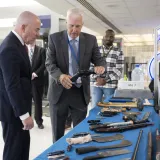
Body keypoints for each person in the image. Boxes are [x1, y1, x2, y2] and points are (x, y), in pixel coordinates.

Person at [46, 8, 106, 142]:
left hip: (79, 93)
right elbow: (50, 64)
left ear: (82, 25)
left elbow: (99, 59)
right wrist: (60, 76)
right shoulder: (54, 38)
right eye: (71, 26)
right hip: (59, 93)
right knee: (58, 135)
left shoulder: (90, 40)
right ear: (66, 23)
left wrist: (100, 66)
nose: (74, 30)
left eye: (77, 26)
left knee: (80, 135)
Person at [0, 11, 41, 160]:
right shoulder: (10, 47)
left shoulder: (18, 44)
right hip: (14, 113)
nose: (38, 34)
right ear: (23, 27)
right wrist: (24, 115)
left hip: (18, 109)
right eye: (36, 29)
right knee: (14, 152)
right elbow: (11, 85)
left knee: (22, 149)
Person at [90, 29, 124, 108]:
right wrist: (97, 78)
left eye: (111, 37)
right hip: (95, 84)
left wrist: (106, 79)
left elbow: (119, 70)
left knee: (110, 108)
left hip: (110, 85)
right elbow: (90, 66)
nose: (108, 38)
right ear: (103, 37)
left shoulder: (119, 51)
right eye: (107, 36)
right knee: (95, 107)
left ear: (114, 39)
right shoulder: (95, 50)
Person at [28, 41, 46, 129]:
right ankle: (26, 121)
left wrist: (35, 73)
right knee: (25, 102)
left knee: (37, 102)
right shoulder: (23, 50)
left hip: (37, 80)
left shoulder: (41, 50)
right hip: (25, 81)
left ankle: (39, 121)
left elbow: (44, 64)